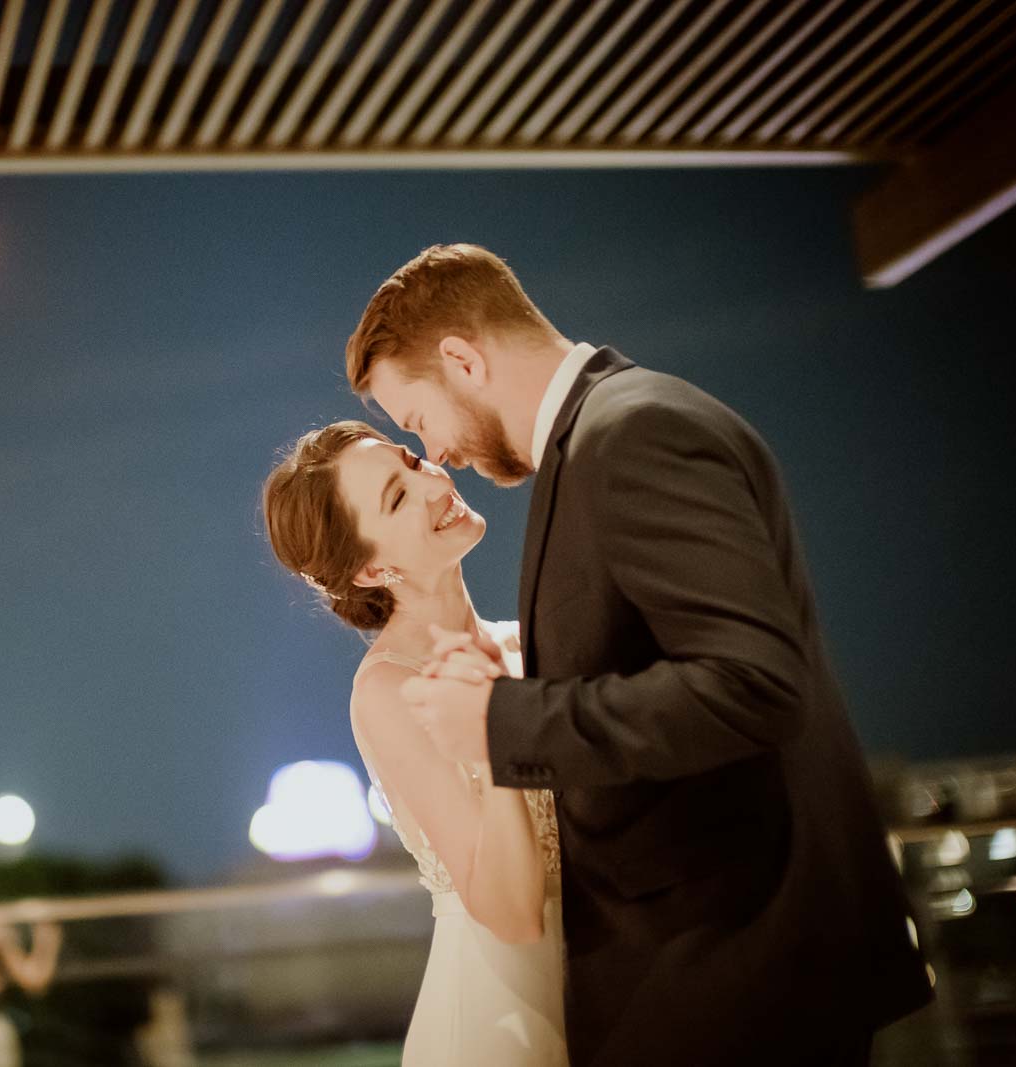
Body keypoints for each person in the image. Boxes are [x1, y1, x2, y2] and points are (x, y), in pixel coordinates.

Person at [349, 242, 932, 1065]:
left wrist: (500, 718)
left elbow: (754, 682)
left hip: (740, 974)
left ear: (460, 359)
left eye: (417, 425)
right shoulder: (606, 438)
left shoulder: (634, 434)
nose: (438, 454)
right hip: (706, 973)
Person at [264, 420, 567, 1065]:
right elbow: (511, 914)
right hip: (499, 1023)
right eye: (398, 498)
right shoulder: (390, 691)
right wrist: (493, 743)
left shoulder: (531, 641)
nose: (434, 482)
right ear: (373, 568)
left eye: (410, 462)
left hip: (601, 997)